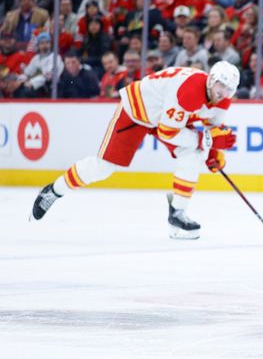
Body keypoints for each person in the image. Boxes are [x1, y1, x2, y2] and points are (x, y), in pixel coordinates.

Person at [31, 62, 240, 240]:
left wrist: (214, 151)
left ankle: (177, 213)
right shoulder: (189, 92)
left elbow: (214, 127)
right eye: (222, 87)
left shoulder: (223, 98)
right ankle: (54, 190)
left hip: (164, 116)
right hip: (137, 110)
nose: (224, 94)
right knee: (103, 167)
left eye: (230, 90)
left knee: (193, 153)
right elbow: (168, 133)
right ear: (212, 80)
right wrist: (208, 140)